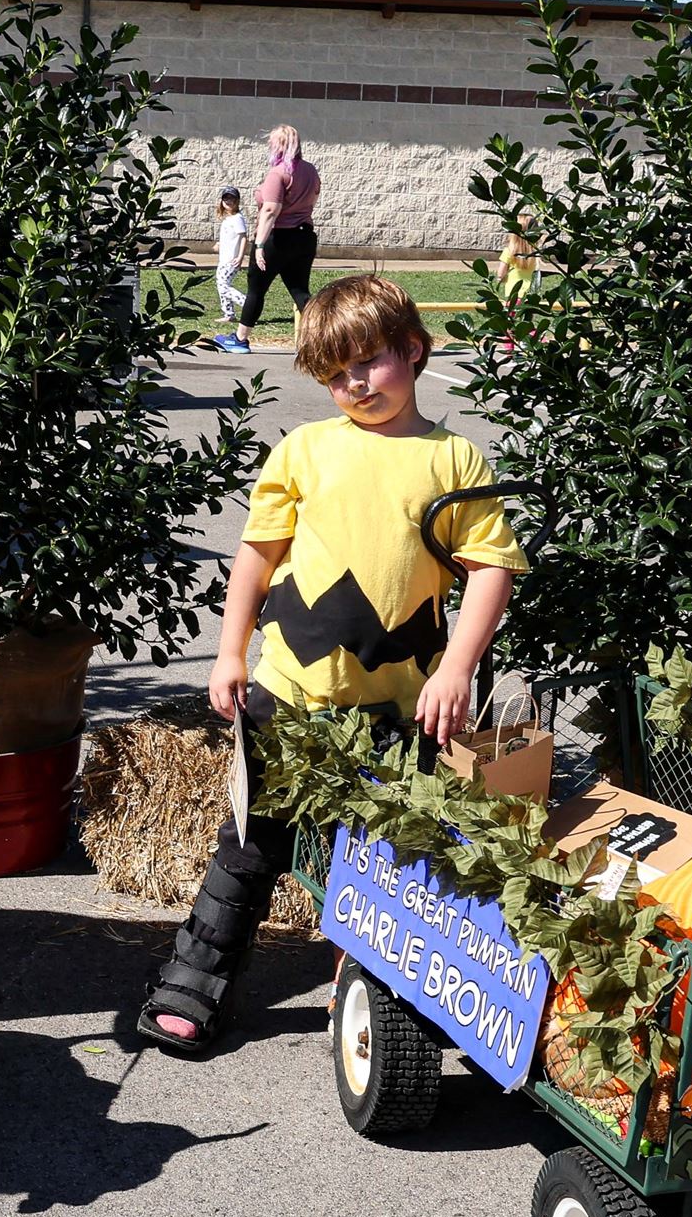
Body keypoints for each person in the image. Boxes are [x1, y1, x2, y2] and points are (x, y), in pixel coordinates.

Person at [138, 274, 528, 1054]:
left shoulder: (453, 459)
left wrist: (456, 668)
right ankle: (192, 985)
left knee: (392, 855)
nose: (355, 382)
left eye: (371, 362)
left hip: (399, 705)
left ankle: (372, 986)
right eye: (335, 371)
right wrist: (228, 651)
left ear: (413, 351)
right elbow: (256, 558)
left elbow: (491, 570)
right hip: (289, 694)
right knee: (248, 848)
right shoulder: (304, 449)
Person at [230, 122, 321, 342]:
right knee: (300, 290)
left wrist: (259, 245)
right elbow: (313, 200)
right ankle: (322, 336)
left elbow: (270, 210)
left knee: (256, 289)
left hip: (277, 238)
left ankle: (240, 339)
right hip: (304, 236)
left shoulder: (278, 173)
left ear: (279, 145)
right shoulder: (310, 170)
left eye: (272, 142)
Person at [212, 186, 249, 333]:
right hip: (224, 259)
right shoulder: (228, 219)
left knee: (223, 286)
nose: (228, 201)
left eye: (232, 199)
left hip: (231, 260)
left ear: (237, 201)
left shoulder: (238, 218)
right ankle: (229, 314)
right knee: (221, 284)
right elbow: (230, 238)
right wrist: (220, 245)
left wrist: (240, 257)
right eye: (225, 198)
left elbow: (243, 238)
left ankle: (247, 304)